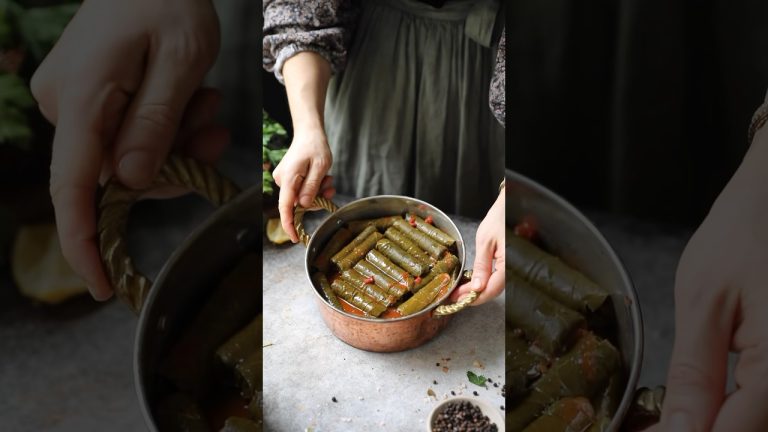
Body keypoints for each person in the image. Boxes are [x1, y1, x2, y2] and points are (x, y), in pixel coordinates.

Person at [263, 0, 507, 305]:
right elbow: (300, 10)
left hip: (484, 75)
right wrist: (308, 130)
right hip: (372, 65)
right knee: (360, 212)